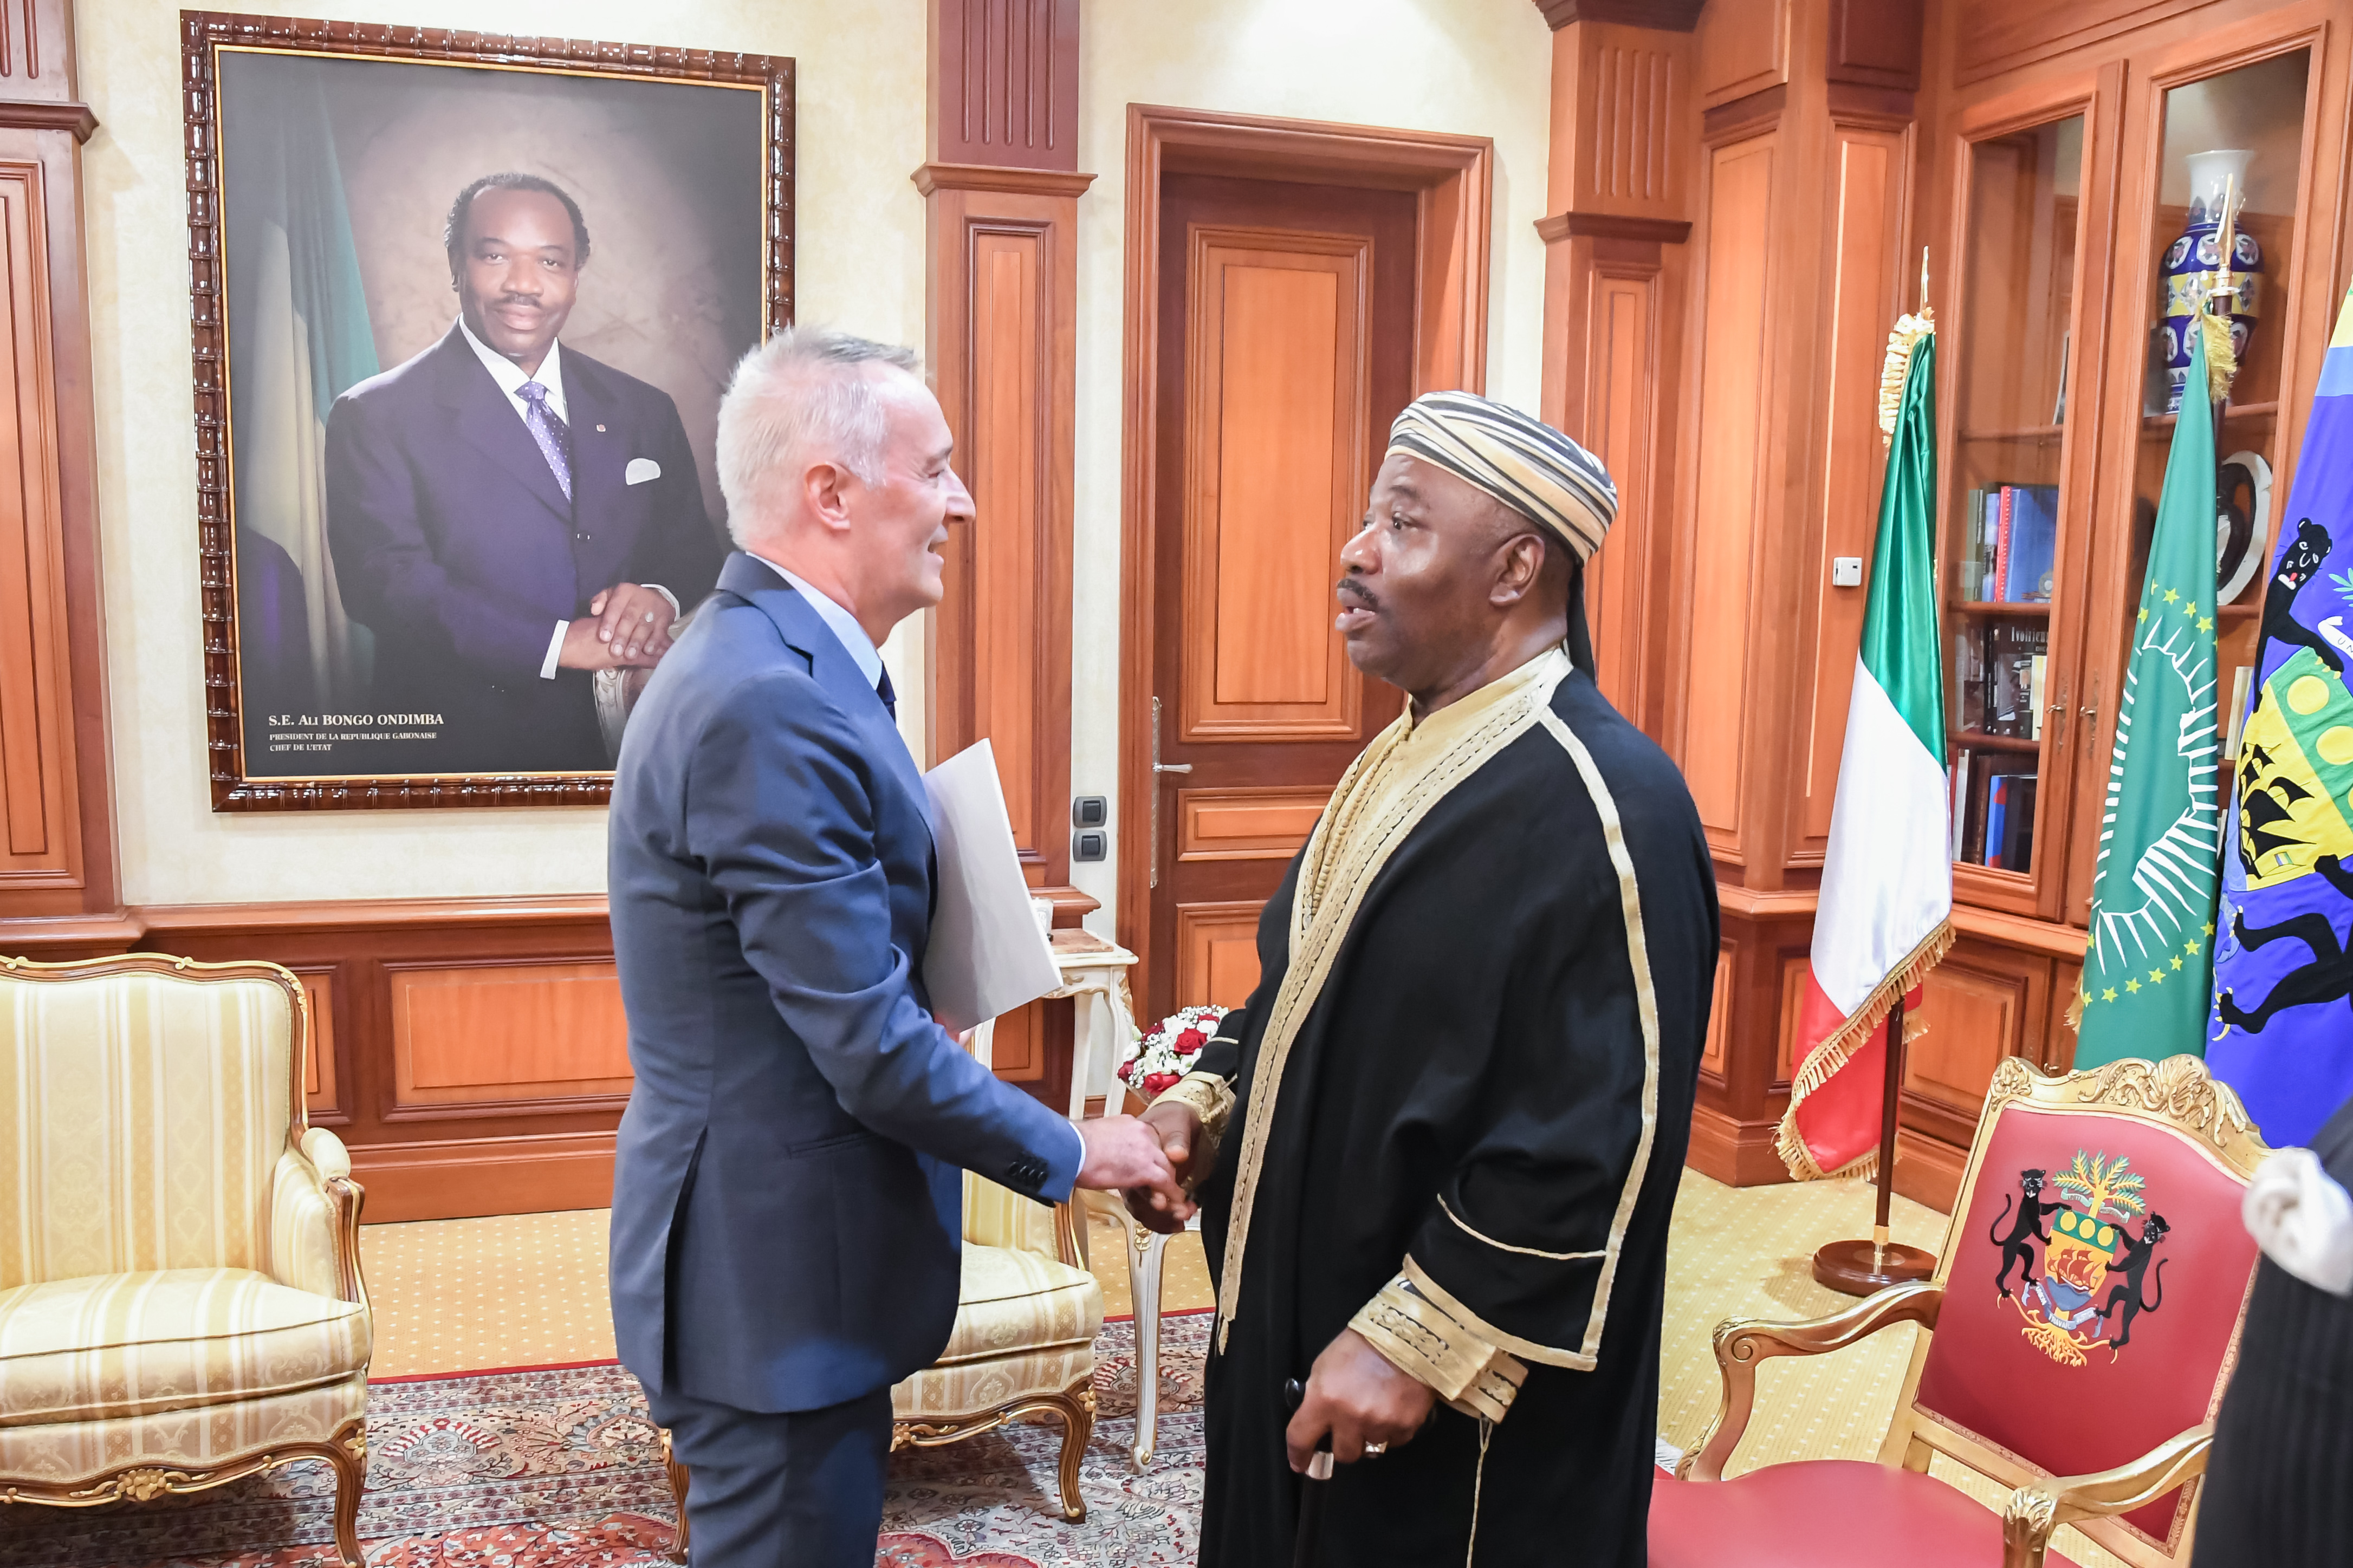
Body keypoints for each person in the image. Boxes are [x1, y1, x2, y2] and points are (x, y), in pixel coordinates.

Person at [606, 327, 1186, 1568]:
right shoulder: (767, 699)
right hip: (769, 1285)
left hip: (791, 1267)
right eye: (934, 470)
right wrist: (1079, 1144)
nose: (958, 504)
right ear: (831, 492)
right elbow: (866, 1048)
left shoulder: (791, 664)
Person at [1127, 391, 1718, 1566]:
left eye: (1402, 525)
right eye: (1369, 519)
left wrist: (1415, 1338)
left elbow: (1598, 1139)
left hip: (1461, 1432)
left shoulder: (1608, 802)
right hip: (1297, 1330)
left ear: (1513, 569)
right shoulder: (1400, 753)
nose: (1356, 552)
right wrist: (1202, 1105)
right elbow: (1300, 996)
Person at [325, 172, 723, 775]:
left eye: (550, 262)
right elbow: (386, 585)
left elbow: (694, 549)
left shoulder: (643, 408)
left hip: (633, 753)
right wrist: (561, 644)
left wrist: (658, 598)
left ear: (576, 275)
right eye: (494, 256)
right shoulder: (375, 415)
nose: (523, 285)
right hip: (462, 761)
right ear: (456, 265)